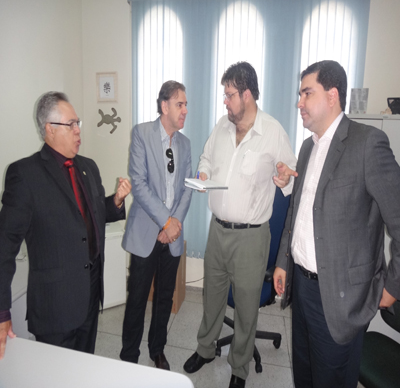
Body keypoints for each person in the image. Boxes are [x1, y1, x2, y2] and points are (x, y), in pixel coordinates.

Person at [273, 60, 400, 387]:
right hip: (302, 288)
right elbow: (297, 211)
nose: (299, 102)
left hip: (341, 298)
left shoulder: (367, 143)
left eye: (307, 93)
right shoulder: (307, 147)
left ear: (332, 96)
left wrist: (393, 286)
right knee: (304, 375)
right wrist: (284, 261)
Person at [183, 62, 297, 388]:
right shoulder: (222, 125)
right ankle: (205, 349)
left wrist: (284, 177)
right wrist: (204, 174)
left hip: (251, 237)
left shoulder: (272, 131)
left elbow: (291, 176)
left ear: (247, 94)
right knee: (212, 296)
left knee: (247, 307)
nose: (225, 101)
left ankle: (239, 368)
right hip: (217, 229)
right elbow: (206, 158)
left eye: (230, 94)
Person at [0, 91, 131, 359]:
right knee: (56, 373)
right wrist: (2, 311)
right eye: (70, 124)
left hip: (90, 291)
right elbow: (4, 248)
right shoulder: (25, 175)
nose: (78, 130)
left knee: (84, 364)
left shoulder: (88, 167)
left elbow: (91, 215)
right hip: (55, 304)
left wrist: (116, 201)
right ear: (49, 129)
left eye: (77, 123)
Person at [120, 81, 192, 370]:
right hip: (146, 232)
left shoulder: (185, 143)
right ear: (164, 106)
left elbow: (187, 188)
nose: (185, 110)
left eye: (186, 105)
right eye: (179, 104)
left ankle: (157, 349)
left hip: (172, 236)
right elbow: (138, 184)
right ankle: (128, 356)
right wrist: (166, 221)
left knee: (164, 298)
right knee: (137, 298)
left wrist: (174, 225)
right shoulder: (142, 134)